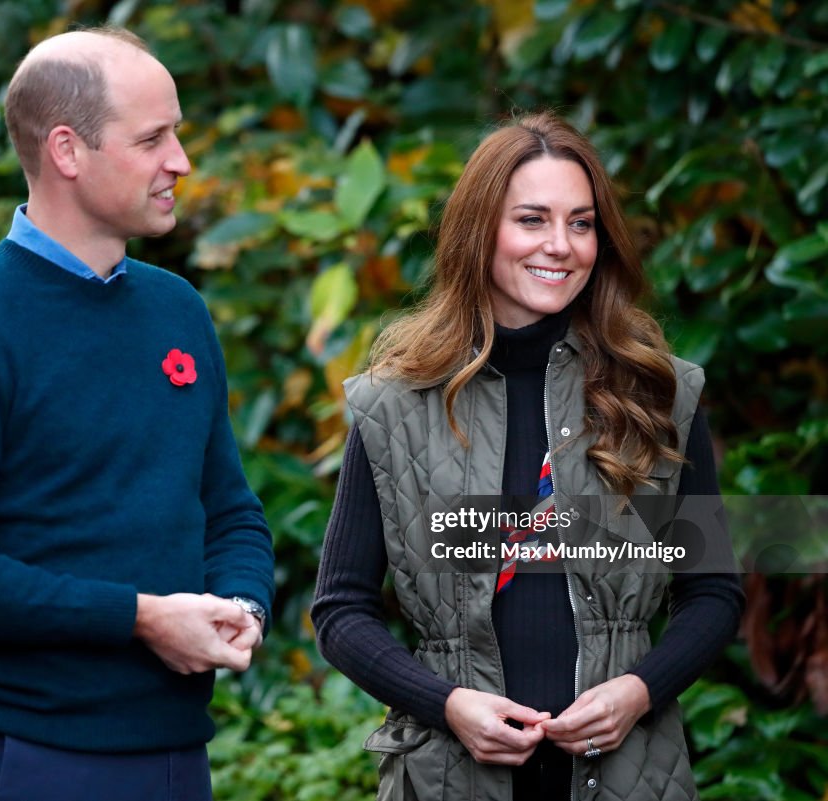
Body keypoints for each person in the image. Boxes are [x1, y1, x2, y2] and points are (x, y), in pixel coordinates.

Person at [0, 26, 274, 801]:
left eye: (178, 135)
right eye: (154, 138)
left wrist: (239, 604)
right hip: (27, 759)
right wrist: (137, 616)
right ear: (67, 150)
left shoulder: (177, 310)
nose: (181, 163)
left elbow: (229, 509)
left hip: (176, 758)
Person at [312, 112, 744, 801]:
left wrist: (639, 690)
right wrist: (446, 701)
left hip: (628, 776)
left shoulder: (659, 392)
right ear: (481, 229)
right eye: (533, 219)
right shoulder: (393, 402)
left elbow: (714, 591)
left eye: (581, 222)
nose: (561, 245)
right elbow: (341, 610)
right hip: (450, 775)